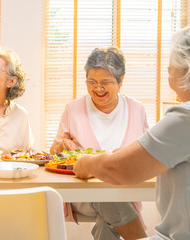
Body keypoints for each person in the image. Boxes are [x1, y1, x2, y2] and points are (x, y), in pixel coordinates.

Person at [74, 27, 190, 240]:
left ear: (186, 69)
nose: (167, 68)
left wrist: (86, 163)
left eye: (171, 63)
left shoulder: (185, 117)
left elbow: (119, 168)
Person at [50, 47, 148, 240]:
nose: (98, 88)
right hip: (83, 195)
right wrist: (62, 147)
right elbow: (53, 154)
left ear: (120, 81)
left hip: (124, 194)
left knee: (107, 223)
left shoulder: (137, 110)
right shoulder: (73, 109)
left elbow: (144, 154)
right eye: (91, 82)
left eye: (105, 82)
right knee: (107, 196)